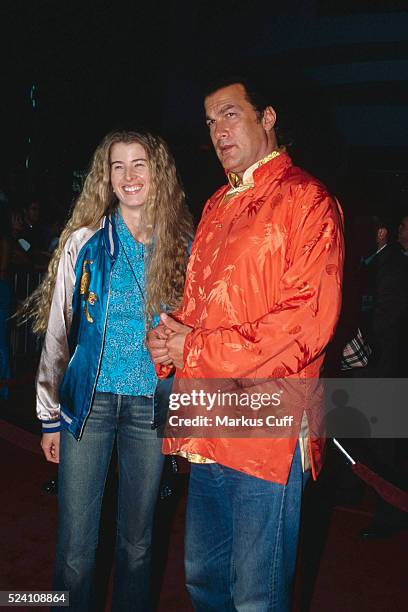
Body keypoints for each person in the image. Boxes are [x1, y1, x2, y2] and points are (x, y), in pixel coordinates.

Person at [147, 76, 344, 611]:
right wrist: (169, 335)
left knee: (258, 593)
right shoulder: (215, 205)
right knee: (204, 581)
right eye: (210, 122)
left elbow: (306, 325)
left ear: (268, 117)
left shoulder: (308, 200)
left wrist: (192, 347)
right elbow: (198, 306)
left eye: (230, 115)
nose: (217, 131)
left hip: (268, 428)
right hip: (210, 416)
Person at [21, 130, 193, 611]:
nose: (129, 176)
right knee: (76, 547)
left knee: (138, 545)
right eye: (119, 166)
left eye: (140, 164)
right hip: (88, 408)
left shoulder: (183, 246)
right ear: (107, 175)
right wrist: (49, 415)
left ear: (157, 174)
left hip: (148, 409)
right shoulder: (85, 241)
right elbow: (57, 332)